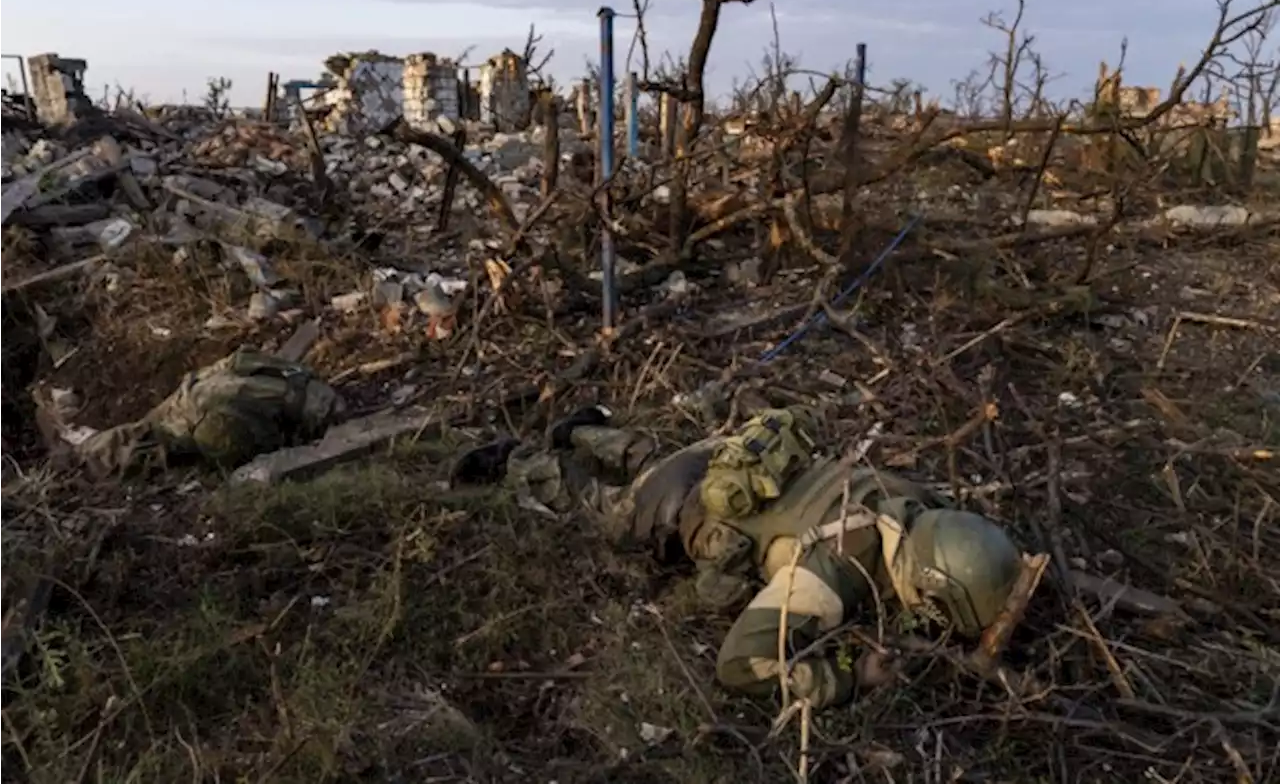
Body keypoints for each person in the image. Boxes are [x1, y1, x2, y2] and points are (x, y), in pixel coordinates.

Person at [464, 402, 1023, 711]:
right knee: (609, 514)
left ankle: (583, 429)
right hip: (682, 501)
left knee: (655, 462)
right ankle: (518, 460)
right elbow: (739, 665)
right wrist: (849, 681)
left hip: (726, 455)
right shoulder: (834, 572)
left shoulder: (915, 502)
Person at [73, 348, 346, 477]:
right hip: (199, 400)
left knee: (152, 438)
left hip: (200, 399)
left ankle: (87, 452)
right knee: (149, 436)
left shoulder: (208, 411)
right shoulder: (202, 408)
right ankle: (85, 453)